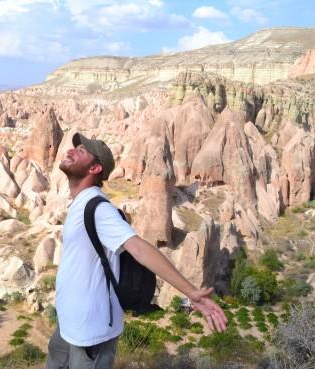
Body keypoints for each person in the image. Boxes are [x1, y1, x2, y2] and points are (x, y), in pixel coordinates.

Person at [46, 133, 228, 369]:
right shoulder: (79, 203)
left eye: (81, 151)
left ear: (95, 168)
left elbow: (140, 249)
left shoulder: (98, 208)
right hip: (69, 321)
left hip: (91, 331)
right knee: (55, 358)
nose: (71, 151)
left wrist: (191, 292)